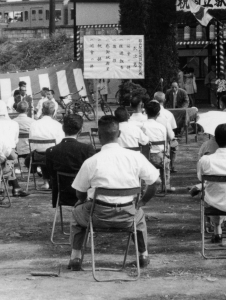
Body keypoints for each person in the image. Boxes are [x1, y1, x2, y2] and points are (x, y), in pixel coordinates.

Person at [67, 116, 160, 271]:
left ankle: (75, 257)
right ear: (119, 133)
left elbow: (80, 192)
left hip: (96, 217)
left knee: (77, 214)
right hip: (127, 216)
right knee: (140, 216)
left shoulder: (92, 161)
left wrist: (82, 201)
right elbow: (156, 182)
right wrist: (142, 202)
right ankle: (143, 255)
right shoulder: (136, 157)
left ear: (98, 136)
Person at [46, 114, 96, 209]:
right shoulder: (87, 149)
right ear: (81, 130)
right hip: (84, 195)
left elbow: (51, 175)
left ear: (63, 128)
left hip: (62, 196)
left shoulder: (51, 151)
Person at [29, 100, 65, 190]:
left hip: (37, 156)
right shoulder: (57, 125)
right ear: (53, 112)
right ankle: (53, 180)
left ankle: (46, 182)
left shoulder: (34, 124)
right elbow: (61, 143)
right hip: (53, 156)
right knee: (53, 151)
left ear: (42, 110)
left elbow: (31, 144)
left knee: (43, 151)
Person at [141, 101, 176, 192]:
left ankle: (143, 188)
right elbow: (168, 139)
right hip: (159, 157)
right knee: (166, 163)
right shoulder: (161, 127)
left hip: (145, 157)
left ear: (145, 112)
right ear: (158, 113)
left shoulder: (142, 125)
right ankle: (166, 185)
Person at [13, 101, 35, 171]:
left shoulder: (12, 122)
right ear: (27, 110)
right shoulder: (33, 122)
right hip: (30, 149)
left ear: (17, 110)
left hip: (17, 149)